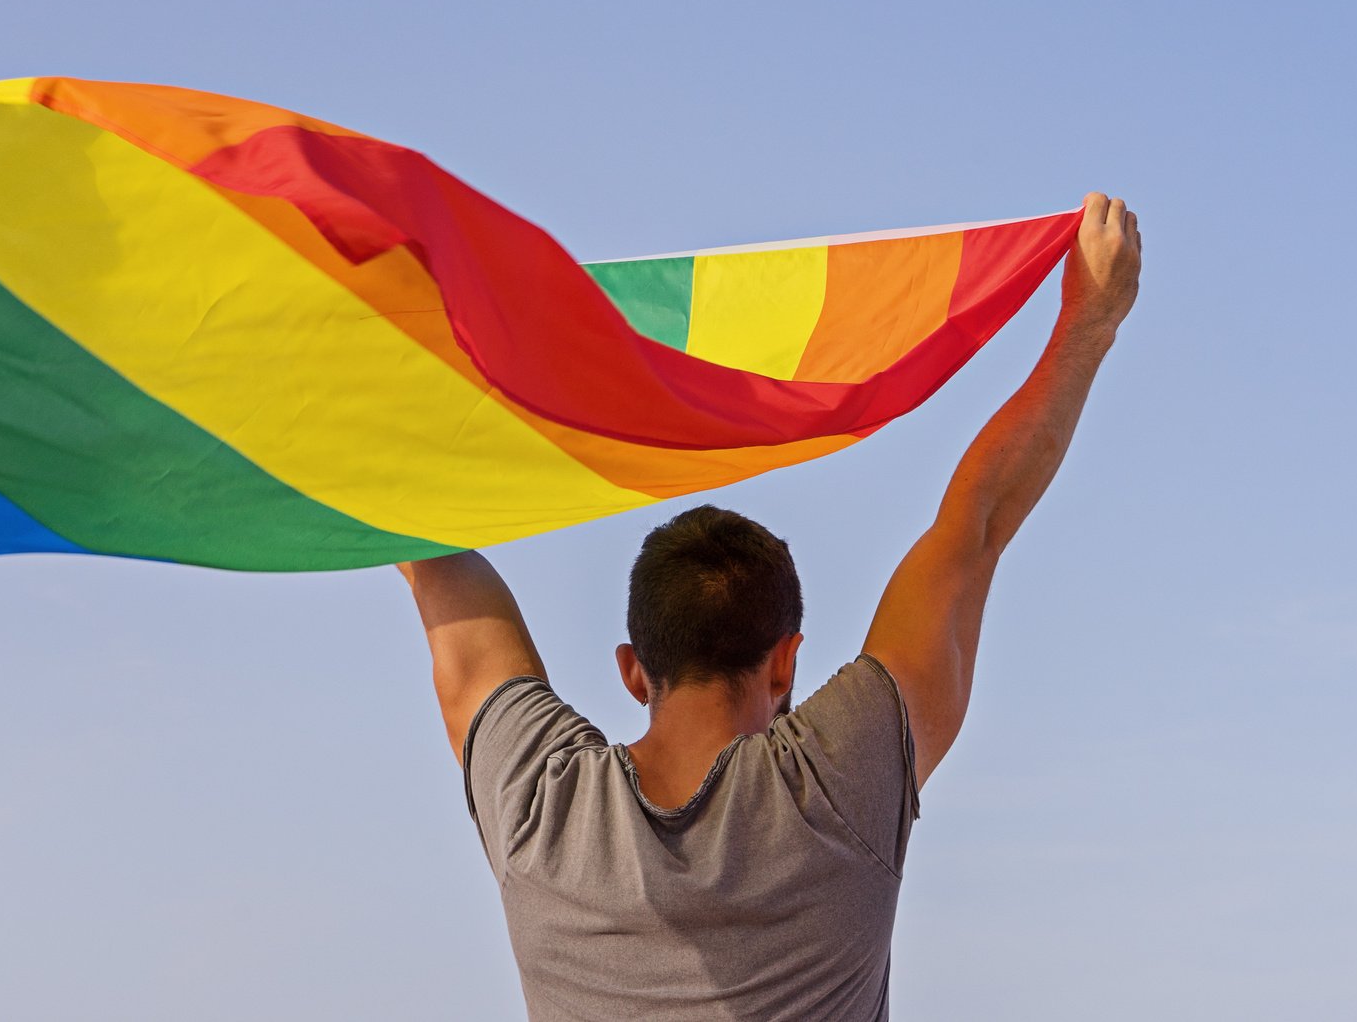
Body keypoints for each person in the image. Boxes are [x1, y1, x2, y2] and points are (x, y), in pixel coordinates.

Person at [400, 193, 1142, 1020]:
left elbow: (433, 562)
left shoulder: (544, 808)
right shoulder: (838, 788)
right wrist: (1087, 325)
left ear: (633, 670)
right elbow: (974, 529)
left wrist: (366, 395)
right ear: (785, 660)